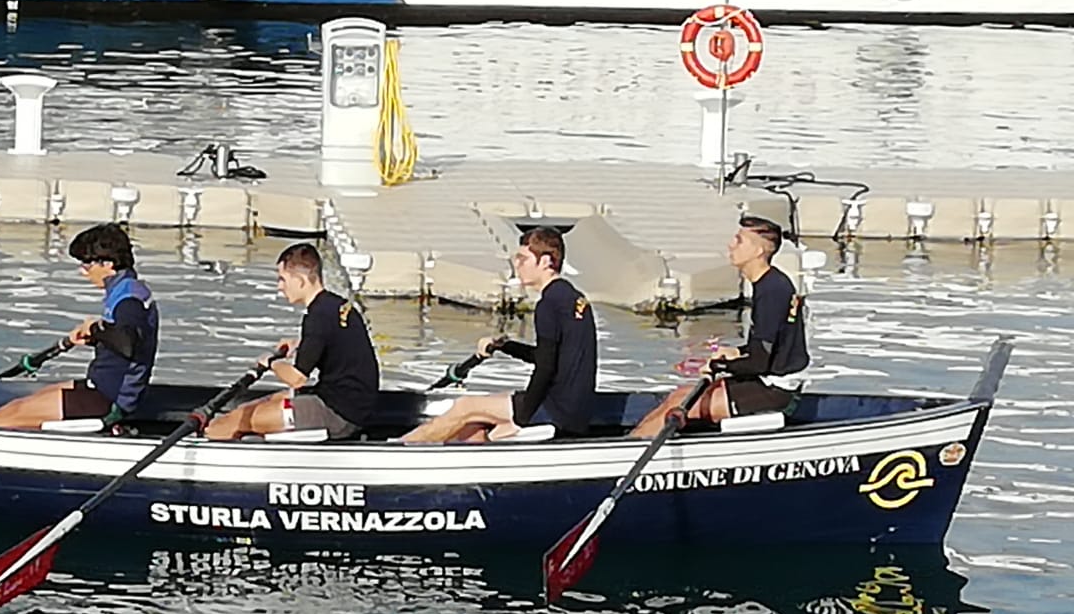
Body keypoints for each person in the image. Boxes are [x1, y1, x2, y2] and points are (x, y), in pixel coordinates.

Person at [403, 227, 597, 443]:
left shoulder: (548, 304)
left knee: (466, 406)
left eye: (523, 259)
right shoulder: (573, 297)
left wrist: (522, 417)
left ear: (545, 262)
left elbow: (545, 367)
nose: (517, 265)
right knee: (473, 424)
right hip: (573, 409)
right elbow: (549, 356)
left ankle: (399, 448)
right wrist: (505, 346)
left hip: (556, 410)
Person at [629, 215, 809, 438]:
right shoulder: (773, 282)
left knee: (674, 409)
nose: (731, 245)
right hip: (767, 379)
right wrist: (735, 352)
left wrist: (720, 366)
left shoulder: (771, 292)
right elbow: (771, 346)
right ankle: (630, 442)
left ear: (757, 252)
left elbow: (760, 362)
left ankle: (623, 456)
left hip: (773, 390)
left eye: (739, 240)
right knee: (678, 396)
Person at [0, 223, 159, 429]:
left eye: (87, 265)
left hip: (108, 399)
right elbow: (126, 339)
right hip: (99, 386)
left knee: (12, 418)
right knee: (16, 406)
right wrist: (95, 337)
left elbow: (129, 344)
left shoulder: (128, 300)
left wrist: (96, 329)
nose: (83, 272)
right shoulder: (127, 288)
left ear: (108, 264)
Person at [204, 242, 379, 441]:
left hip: (339, 415)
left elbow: (296, 379)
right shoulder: (337, 305)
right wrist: (299, 344)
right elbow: (333, 342)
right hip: (345, 402)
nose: (279, 287)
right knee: (245, 409)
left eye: (282, 279)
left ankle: (200, 446)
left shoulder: (317, 318)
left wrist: (271, 363)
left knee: (243, 420)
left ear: (301, 280)